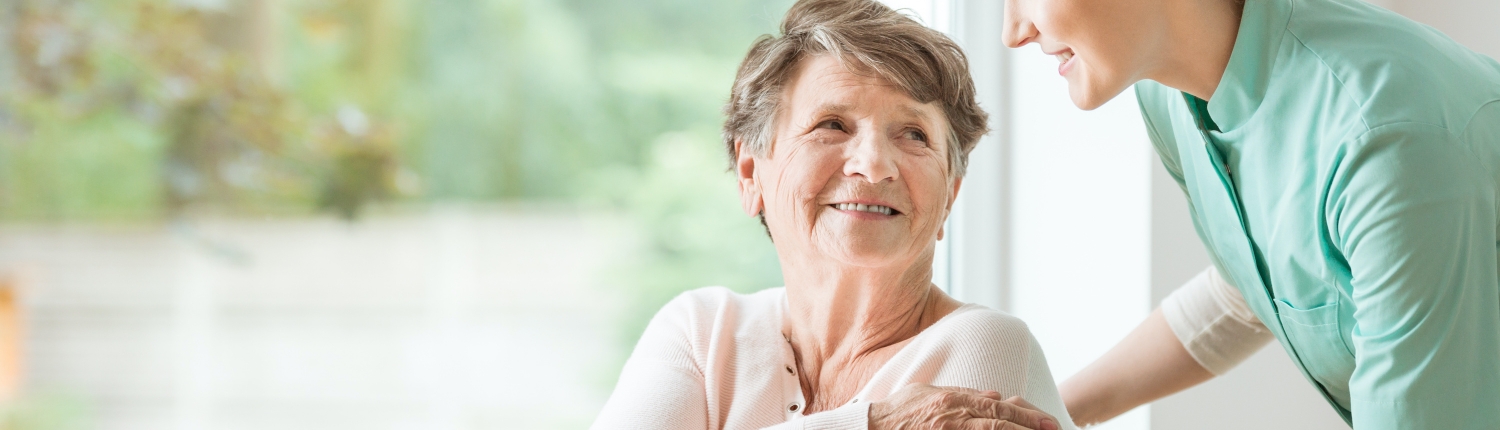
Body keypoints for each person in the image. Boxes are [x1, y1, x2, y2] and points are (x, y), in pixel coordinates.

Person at [994, 0, 1500, 427]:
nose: (1012, 32)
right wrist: (1051, 413)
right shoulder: (1170, 94)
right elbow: (1260, 288)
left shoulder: (1386, 146)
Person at [591, 0, 1072, 428]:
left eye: (915, 135)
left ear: (950, 194)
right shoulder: (701, 331)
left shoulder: (984, 347)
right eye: (832, 125)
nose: (874, 164)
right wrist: (871, 425)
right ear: (750, 171)